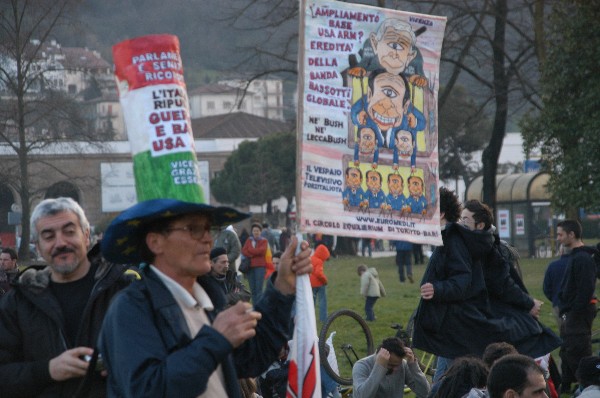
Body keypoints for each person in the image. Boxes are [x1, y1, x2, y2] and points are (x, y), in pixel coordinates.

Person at [98, 198, 313, 397]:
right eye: (193, 229)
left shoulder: (209, 298)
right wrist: (216, 339)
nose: (208, 239)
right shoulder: (130, 309)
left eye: (209, 228)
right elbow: (149, 390)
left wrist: (282, 287)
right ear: (155, 242)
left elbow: (253, 357)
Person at [0, 197, 134, 397]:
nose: (60, 243)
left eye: (69, 232)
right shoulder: (18, 303)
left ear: (87, 236)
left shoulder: (125, 292)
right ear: (37, 246)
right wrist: (48, 370)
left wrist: (127, 364)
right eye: (48, 236)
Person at [413, 188, 505, 382]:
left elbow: (462, 281)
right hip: (451, 325)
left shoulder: (453, 240)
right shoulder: (448, 237)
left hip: (457, 325)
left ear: (441, 213)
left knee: (450, 382)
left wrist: (437, 289)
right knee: (444, 381)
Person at [458, 199, 561, 360]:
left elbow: (502, 284)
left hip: (486, 317)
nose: (461, 224)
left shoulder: (487, 251)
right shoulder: (470, 247)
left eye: (466, 220)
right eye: (460, 219)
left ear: (480, 225)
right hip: (473, 318)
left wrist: (528, 303)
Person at [556, 219, 598, 393]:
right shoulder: (576, 256)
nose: (557, 238)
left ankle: (588, 385)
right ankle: (565, 386)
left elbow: (586, 289)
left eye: (560, 234)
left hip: (578, 313)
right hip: (572, 312)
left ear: (571, 235)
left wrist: (574, 311)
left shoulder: (583, 258)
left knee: (577, 349)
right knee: (567, 350)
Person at [352, 337, 430, 398]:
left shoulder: (402, 364)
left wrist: (413, 366)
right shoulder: (361, 366)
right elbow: (362, 396)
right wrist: (379, 367)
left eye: (397, 365)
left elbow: (425, 393)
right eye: (391, 365)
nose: (396, 369)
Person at [542, 246, 570, 329]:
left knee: (563, 331)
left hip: (558, 304)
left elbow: (546, 288)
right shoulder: (579, 264)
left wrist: (554, 298)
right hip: (577, 305)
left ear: (561, 251)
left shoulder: (552, 266)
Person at [242, 222, 269, 304]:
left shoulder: (264, 241)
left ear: (260, 232)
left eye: (257, 231)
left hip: (260, 267)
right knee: (252, 289)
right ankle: (254, 306)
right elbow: (243, 251)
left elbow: (262, 251)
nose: (256, 232)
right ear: (252, 231)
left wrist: (250, 251)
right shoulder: (249, 240)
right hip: (250, 267)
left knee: (259, 289)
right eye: (254, 231)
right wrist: (254, 252)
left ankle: (259, 306)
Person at [310, 244, 330, 323]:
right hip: (319, 284)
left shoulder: (310, 258)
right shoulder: (319, 261)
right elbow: (318, 273)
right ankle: (323, 318)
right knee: (322, 301)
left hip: (310, 284)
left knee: (312, 302)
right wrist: (325, 280)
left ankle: (311, 319)